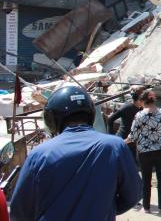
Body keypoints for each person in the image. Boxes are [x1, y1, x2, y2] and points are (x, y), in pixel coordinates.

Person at [10, 85, 142, 220]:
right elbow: (134, 194)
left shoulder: (39, 154)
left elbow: (20, 211)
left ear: (52, 119)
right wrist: (105, 209)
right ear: (91, 114)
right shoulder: (115, 147)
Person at [128, 89, 161, 214]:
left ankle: (146, 208)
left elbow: (133, 136)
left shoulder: (139, 115)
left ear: (142, 101)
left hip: (144, 152)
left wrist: (122, 141)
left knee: (146, 180)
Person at [106, 86, 144, 160]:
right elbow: (110, 119)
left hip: (132, 141)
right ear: (139, 99)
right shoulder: (127, 107)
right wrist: (111, 137)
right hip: (122, 139)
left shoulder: (141, 109)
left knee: (132, 164)